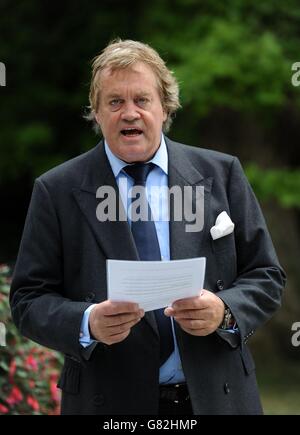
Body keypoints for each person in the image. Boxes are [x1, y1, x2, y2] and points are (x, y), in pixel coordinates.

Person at [10, 39, 286, 415]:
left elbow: (266, 275)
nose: (129, 113)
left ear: (165, 107)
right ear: (96, 111)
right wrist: (86, 322)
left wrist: (224, 310)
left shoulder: (222, 173)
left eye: (142, 100)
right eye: (115, 102)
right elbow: (27, 301)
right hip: (107, 402)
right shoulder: (55, 190)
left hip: (218, 398)